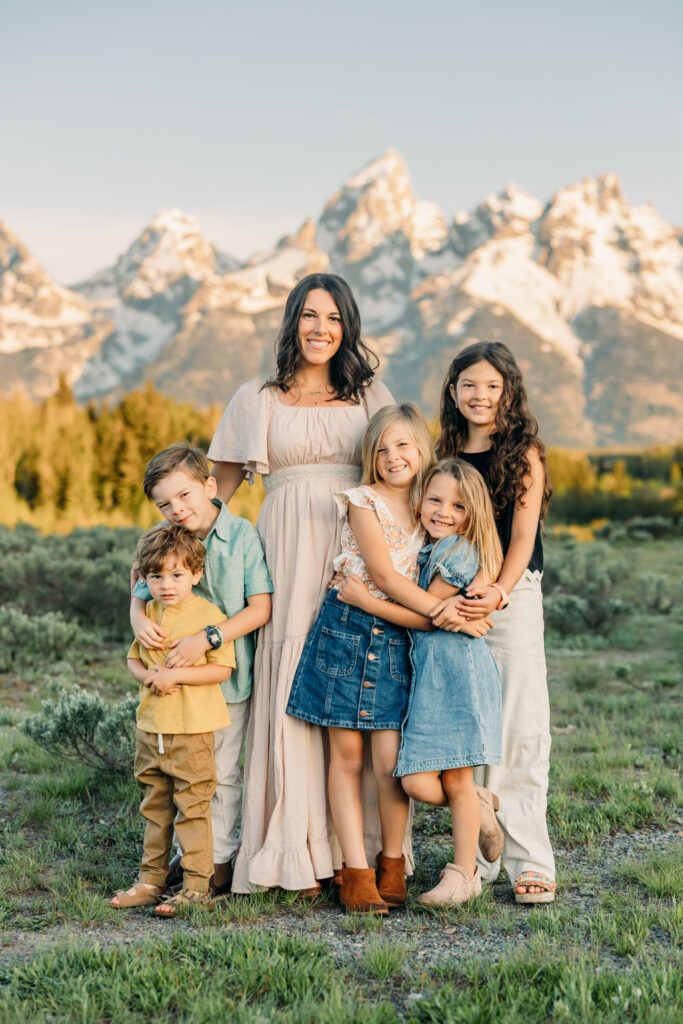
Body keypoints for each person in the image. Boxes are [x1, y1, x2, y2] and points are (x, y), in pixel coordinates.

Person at [207, 273, 397, 893]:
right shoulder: (256, 398)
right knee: (291, 680)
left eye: (334, 318)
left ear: (349, 328)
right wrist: (176, 552)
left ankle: (358, 854)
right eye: (310, 316)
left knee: (351, 684)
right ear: (292, 322)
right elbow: (219, 493)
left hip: (355, 550)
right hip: (285, 550)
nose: (321, 329)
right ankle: (293, 850)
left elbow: (405, 468)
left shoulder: (368, 396)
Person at [335, 458, 504, 905]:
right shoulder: (428, 548)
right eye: (435, 499)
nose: (443, 512)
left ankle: (463, 875)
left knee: (456, 779)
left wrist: (364, 600)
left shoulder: (459, 552)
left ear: (475, 514)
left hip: (458, 678)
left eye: (458, 506)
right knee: (417, 783)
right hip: (428, 679)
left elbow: (428, 614)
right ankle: (480, 803)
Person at [286, 404, 434, 913]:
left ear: (422, 451)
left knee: (390, 765)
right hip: (347, 634)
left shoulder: (431, 507)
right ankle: (355, 871)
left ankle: (392, 862)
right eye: (382, 448)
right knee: (346, 758)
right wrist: (443, 612)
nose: (393, 457)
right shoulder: (363, 502)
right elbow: (388, 578)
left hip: (397, 641)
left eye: (403, 446)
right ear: (370, 457)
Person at [430, 341, 557, 904]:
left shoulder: (522, 451)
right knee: (467, 728)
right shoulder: (446, 450)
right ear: (453, 392)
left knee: (520, 727)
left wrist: (498, 593)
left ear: (508, 393)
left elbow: (522, 537)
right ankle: (475, 860)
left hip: (510, 595)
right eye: (469, 385)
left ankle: (531, 860)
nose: (480, 396)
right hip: (453, 600)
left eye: (492, 386)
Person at [129, 443, 272, 895]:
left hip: (225, 679)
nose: (176, 509)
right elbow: (139, 590)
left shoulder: (241, 536)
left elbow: (260, 608)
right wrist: (137, 618)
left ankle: (217, 861)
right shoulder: (162, 538)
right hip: (172, 689)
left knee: (222, 773)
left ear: (210, 486)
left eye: (185, 496)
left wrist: (208, 639)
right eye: (164, 503)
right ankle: (187, 856)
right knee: (178, 775)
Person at [111, 523, 235, 916]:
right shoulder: (147, 614)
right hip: (150, 729)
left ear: (196, 574)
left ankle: (197, 886)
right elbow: (133, 659)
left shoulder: (208, 616)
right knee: (155, 806)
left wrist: (176, 674)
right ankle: (151, 880)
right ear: (145, 579)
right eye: (157, 576)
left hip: (191, 732)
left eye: (177, 574)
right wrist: (147, 675)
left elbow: (222, 671)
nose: (167, 584)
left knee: (193, 807)